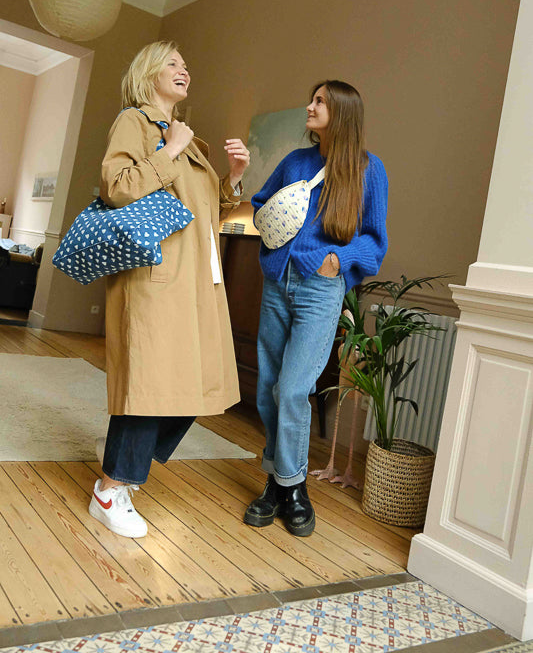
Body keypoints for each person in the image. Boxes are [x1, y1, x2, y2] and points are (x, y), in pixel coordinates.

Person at [90, 40, 250, 538]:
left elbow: (207, 211)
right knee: (152, 385)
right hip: (156, 277)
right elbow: (117, 189)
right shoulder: (134, 123)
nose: (185, 69)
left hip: (199, 278)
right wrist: (170, 150)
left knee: (195, 384)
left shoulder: (189, 138)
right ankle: (112, 488)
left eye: (186, 62)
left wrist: (234, 181)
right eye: (174, 63)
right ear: (150, 73)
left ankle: (125, 456)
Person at [244, 80, 388, 536]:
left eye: (319, 101)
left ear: (341, 111)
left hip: (321, 290)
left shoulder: (369, 170)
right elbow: (261, 204)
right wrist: (273, 242)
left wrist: (337, 260)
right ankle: (280, 485)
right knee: (269, 387)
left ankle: (291, 485)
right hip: (277, 284)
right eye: (312, 98)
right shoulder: (295, 162)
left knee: (291, 389)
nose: (309, 106)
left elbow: (373, 239)